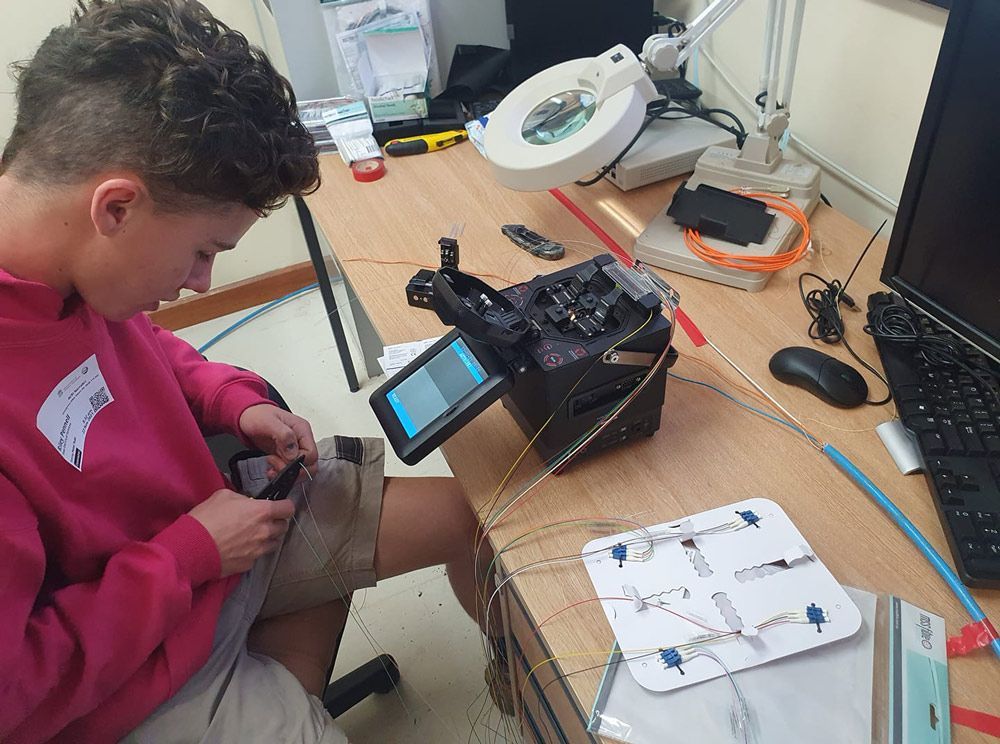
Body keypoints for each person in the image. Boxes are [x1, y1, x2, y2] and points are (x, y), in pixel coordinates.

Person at [0, 2, 503, 742]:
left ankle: (536, 701)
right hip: (122, 671)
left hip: (213, 541)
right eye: (203, 250)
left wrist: (229, 401)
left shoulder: (75, 265)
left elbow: (142, 348)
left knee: (474, 520)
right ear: (115, 208)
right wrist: (188, 556)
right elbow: (15, 695)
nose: (203, 283)